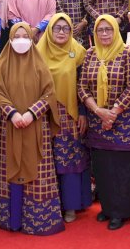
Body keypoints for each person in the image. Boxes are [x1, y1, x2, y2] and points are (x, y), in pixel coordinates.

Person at [0, 22, 65, 235]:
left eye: (26, 36)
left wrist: (31, 113)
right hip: (9, 126)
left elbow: (49, 93)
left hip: (36, 126)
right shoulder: (1, 65)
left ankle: (38, 222)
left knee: (37, 172)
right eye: (17, 36)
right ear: (10, 40)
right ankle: (12, 221)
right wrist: (13, 113)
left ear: (32, 39)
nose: (21, 40)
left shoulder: (40, 65)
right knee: (10, 170)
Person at [78, 15, 130, 231]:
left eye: (109, 29)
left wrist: (113, 112)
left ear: (116, 30)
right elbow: (81, 87)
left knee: (121, 168)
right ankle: (107, 208)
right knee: (103, 167)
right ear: (94, 33)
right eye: (100, 30)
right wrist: (98, 111)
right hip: (99, 121)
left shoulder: (128, 52)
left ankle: (121, 211)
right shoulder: (90, 54)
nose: (104, 34)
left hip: (124, 121)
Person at [36, 13, 91, 224]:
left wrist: (83, 113)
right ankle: (51, 203)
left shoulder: (78, 53)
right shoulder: (39, 53)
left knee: (70, 160)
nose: (61, 32)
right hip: (44, 114)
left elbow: (83, 86)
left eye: (65, 28)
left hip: (69, 114)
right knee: (48, 160)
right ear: (49, 30)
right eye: (57, 28)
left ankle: (71, 205)